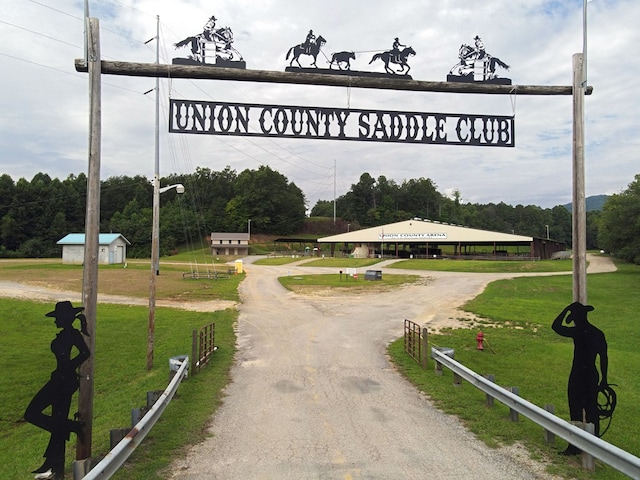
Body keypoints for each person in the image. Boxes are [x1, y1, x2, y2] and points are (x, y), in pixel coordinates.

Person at [24, 301, 91, 478]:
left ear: (64, 318)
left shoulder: (73, 334)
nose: (55, 322)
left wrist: (69, 366)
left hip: (65, 381)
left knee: (31, 413)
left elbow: (85, 353)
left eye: (57, 318)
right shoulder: (63, 335)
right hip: (59, 379)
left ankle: (56, 463)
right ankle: (57, 464)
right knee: (57, 422)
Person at [552, 301, 608, 454]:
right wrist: (604, 379)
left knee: (576, 408)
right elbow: (603, 358)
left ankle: (576, 445)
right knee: (592, 409)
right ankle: (595, 445)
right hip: (591, 373)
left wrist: (566, 309)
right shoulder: (597, 333)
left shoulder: (578, 331)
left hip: (578, 373)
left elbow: (556, 326)